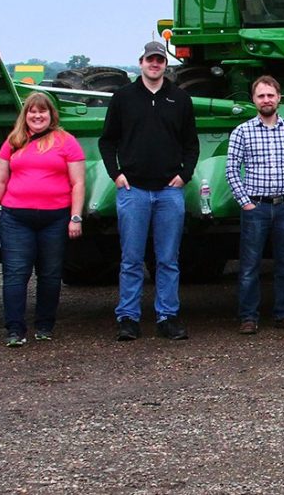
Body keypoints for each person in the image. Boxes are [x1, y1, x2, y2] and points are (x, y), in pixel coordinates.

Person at [99, 40, 199, 342]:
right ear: (141, 62)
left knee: (168, 259)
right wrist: (116, 175)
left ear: (165, 65)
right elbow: (108, 141)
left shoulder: (180, 99)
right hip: (134, 191)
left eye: (159, 60)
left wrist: (184, 175)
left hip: (169, 191)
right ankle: (128, 317)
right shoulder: (123, 98)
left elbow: (191, 144)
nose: (155, 64)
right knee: (131, 259)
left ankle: (167, 316)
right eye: (150, 60)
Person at [0, 93, 86, 346]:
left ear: (51, 115)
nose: (37, 116)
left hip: (55, 218)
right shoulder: (13, 141)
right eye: (32, 111)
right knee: (16, 274)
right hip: (16, 217)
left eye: (42, 111)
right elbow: (0, 179)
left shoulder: (67, 142)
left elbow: (78, 183)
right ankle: (15, 329)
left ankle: (44, 325)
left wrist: (76, 217)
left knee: (50, 274)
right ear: (25, 115)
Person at [226, 76, 284, 334]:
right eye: (261, 96)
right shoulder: (242, 131)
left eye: (270, 95)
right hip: (256, 207)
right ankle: (248, 317)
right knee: (250, 266)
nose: (266, 100)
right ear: (253, 100)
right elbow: (231, 170)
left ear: (279, 98)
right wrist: (245, 203)